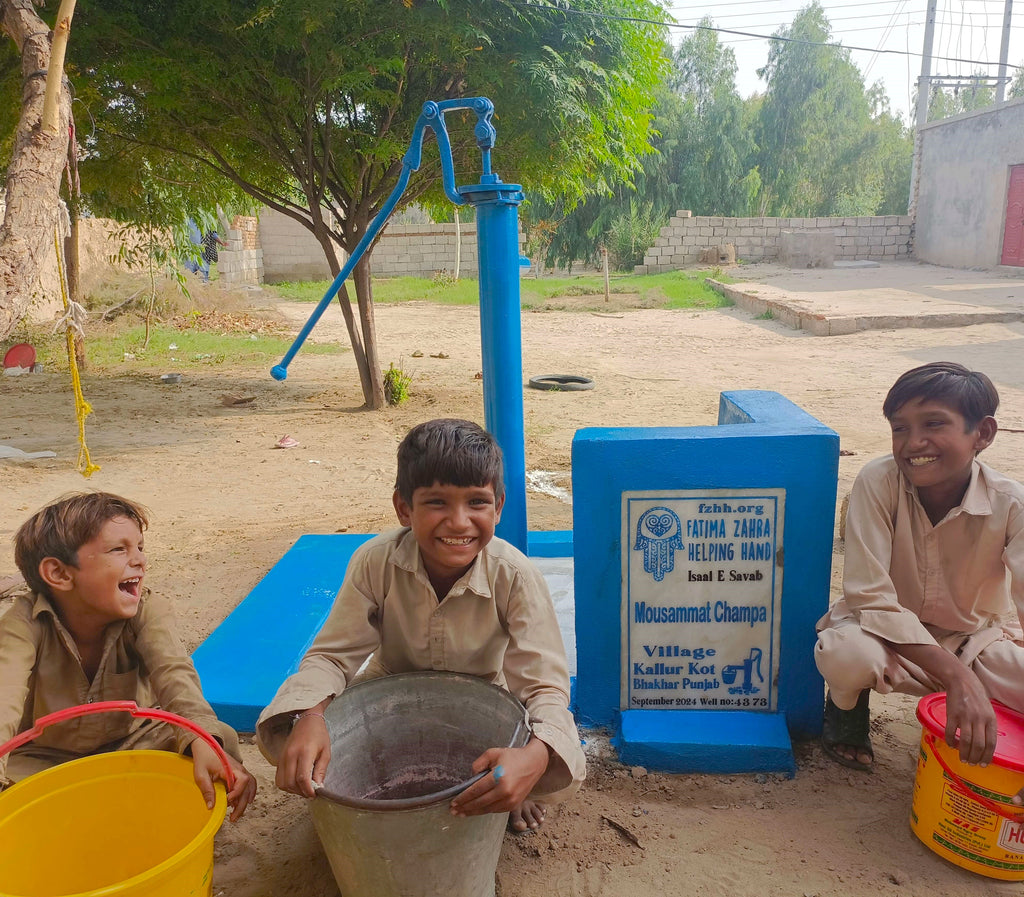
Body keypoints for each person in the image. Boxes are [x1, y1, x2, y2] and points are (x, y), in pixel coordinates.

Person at [257, 418, 585, 833]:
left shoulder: (515, 576)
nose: (459, 522)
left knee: (530, 746)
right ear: (403, 508)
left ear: (499, 506)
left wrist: (535, 760)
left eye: (477, 503)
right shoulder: (375, 561)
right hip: (391, 683)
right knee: (305, 730)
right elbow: (331, 657)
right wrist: (311, 715)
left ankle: (516, 789)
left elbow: (545, 687)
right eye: (436, 503)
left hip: (486, 693)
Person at [815, 362, 1024, 795]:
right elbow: (871, 598)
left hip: (974, 641)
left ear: (982, 434)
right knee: (844, 654)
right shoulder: (878, 482)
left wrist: (971, 671)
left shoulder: (1012, 505)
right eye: (899, 428)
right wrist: (957, 680)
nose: (914, 444)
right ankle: (846, 713)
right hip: (884, 636)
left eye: (934, 424)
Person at [0, 492, 256, 821]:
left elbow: (175, 675)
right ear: (60, 574)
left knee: (215, 740)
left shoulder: (148, 610)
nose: (139, 560)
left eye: (140, 547)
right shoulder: (22, 622)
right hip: (42, 755)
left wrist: (200, 736)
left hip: (134, 741)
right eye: (119, 549)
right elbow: (4, 697)